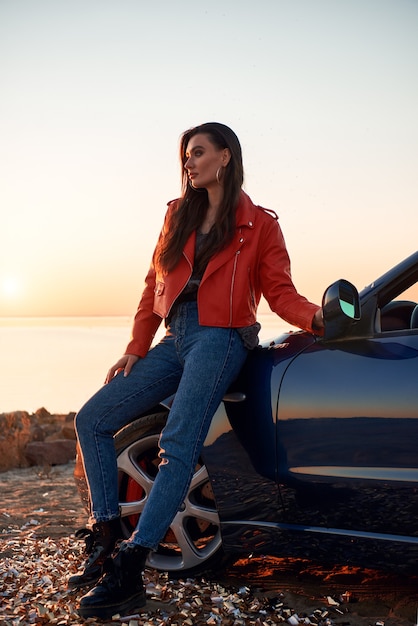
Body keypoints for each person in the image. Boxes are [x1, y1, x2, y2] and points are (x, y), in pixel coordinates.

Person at [71, 122, 324, 619]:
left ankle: (130, 568)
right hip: (175, 336)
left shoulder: (261, 224)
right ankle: (104, 538)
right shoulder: (176, 214)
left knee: (179, 442)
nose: (188, 162)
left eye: (199, 152)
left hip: (223, 337)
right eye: (185, 155)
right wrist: (136, 347)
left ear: (225, 157)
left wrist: (320, 317)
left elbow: (280, 294)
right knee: (92, 419)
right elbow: (153, 284)